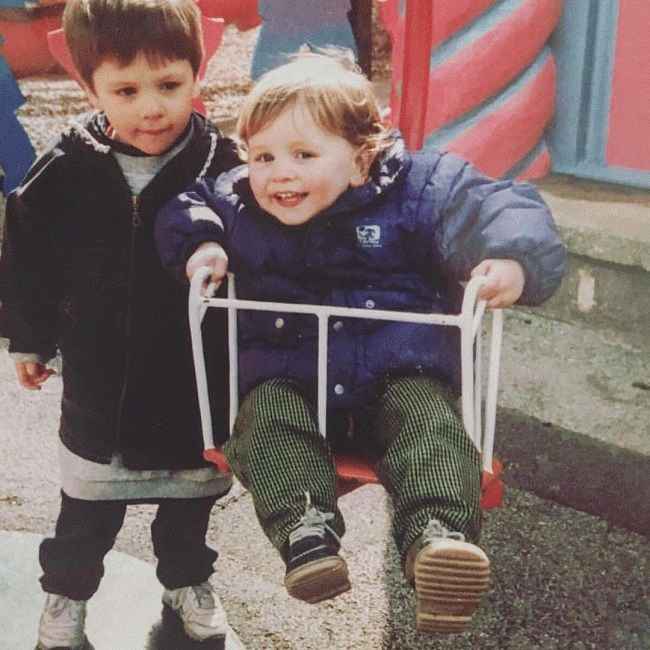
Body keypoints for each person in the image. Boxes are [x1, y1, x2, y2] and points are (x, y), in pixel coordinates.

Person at [156, 49, 567, 634]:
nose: (279, 173)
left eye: (303, 154)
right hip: (290, 373)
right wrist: (202, 243)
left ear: (360, 159)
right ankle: (306, 535)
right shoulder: (240, 199)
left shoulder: (421, 191)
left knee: (430, 426)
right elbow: (186, 206)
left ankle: (437, 541)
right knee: (264, 421)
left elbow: (501, 205)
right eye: (263, 155)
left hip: (397, 372)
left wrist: (510, 259)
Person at [0, 0, 243, 648]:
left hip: (193, 372)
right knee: (87, 509)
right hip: (100, 372)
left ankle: (187, 580)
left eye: (169, 84)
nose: (152, 108)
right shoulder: (69, 163)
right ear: (90, 89)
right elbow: (28, 256)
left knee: (189, 502)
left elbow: (266, 246)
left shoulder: (220, 162)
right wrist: (29, 338)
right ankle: (66, 594)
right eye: (126, 91)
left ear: (197, 75)